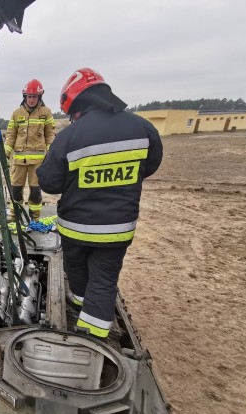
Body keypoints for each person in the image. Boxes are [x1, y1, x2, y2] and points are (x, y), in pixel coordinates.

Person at [37, 68, 163, 340]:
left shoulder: (70, 137)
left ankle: (89, 334)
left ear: (76, 106)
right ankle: (92, 321)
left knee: (77, 270)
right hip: (117, 229)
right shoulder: (142, 128)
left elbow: (48, 182)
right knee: (104, 280)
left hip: (75, 229)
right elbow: (149, 165)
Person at [4, 79, 56, 221]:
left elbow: (50, 135)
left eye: (35, 97)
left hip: (38, 163)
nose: (32, 100)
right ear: (24, 96)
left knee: (35, 192)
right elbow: (10, 136)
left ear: (39, 97)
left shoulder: (46, 113)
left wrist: (51, 155)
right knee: (16, 192)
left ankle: (35, 219)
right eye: (29, 96)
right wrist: (5, 155)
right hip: (19, 162)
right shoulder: (16, 113)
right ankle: (15, 218)